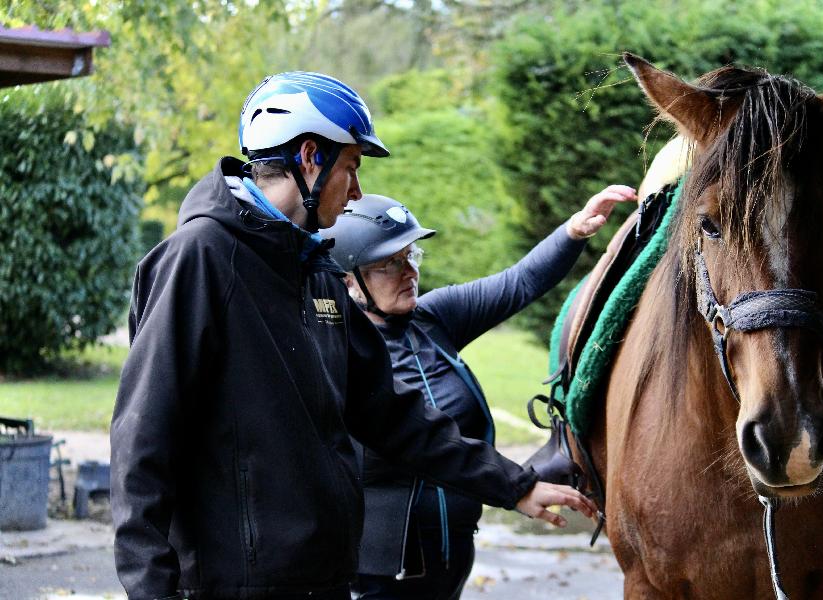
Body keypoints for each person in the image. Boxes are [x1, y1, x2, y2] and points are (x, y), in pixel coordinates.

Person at [110, 71, 596, 600]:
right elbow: (142, 442)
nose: (358, 190)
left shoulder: (314, 271)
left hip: (325, 581)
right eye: (351, 167)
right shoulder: (200, 258)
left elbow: (392, 414)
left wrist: (513, 485)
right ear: (310, 158)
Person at [322, 187, 637, 600]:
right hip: (377, 575)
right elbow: (418, 440)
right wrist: (515, 486)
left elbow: (518, 283)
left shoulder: (433, 318)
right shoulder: (337, 349)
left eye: (410, 256)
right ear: (349, 281)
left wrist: (572, 232)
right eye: (388, 264)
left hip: (451, 557)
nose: (409, 271)